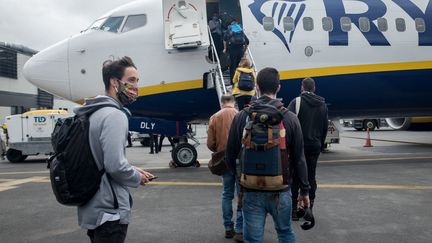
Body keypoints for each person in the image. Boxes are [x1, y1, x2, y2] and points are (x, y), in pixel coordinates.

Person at [74, 56, 154, 243]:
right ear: (114, 82)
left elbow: (99, 158)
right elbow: (115, 166)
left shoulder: (94, 112)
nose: (136, 86)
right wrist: (136, 177)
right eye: (131, 80)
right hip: (109, 211)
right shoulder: (114, 116)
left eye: (137, 81)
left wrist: (132, 168)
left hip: (93, 205)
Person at [226, 67, 310, 243]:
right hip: (281, 189)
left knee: (253, 239)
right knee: (285, 232)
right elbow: (299, 158)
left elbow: (230, 155)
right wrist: (304, 191)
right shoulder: (290, 118)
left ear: (256, 87)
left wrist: (240, 182)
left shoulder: (242, 116)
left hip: (251, 189)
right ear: (278, 87)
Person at [288, 77, 328, 217]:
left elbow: (288, 124)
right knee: (311, 176)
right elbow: (324, 128)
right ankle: (309, 208)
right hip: (314, 146)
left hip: (298, 146)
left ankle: (293, 209)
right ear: (314, 88)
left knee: (294, 176)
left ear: (302, 88)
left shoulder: (296, 102)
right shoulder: (323, 105)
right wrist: (320, 144)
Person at [207, 95, 244, 241]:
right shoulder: (240, 115)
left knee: (227, 194)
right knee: (241, 194)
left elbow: (210, 144)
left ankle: (228, 228)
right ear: (234, 103)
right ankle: (240, 228)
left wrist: (220, 148)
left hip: (224, 159)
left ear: (222, 103)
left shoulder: (214, 117)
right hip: (240, 159)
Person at [223, 19, 249, 84]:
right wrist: (244, 51)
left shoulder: (229, 30)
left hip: (232, 50)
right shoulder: (240, 30)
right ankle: (239, 80)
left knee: (232, 66)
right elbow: (247, 42)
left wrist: (225, 49)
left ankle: (233, 82)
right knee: (239, 66)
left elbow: (224, 40)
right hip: (240, 50)